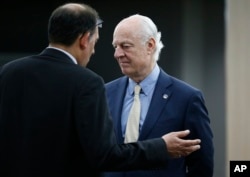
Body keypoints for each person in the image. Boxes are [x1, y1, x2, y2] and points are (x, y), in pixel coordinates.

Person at [0, 3, 201, 177]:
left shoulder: (9, 73)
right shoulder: (89, 83)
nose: (115, 54)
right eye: (96, 43)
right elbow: (104, 155)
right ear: (84, 39)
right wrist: (162, 147)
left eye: (126, 46)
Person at [102, 14, 214, 177]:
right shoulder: (105, 93)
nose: (117, 54)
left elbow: (202, 165)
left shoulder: (187, 98)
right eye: (115, 46)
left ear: (150, 45)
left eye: (125, 46)